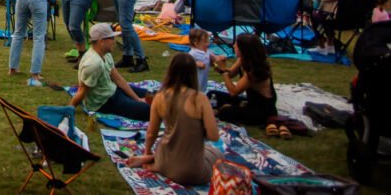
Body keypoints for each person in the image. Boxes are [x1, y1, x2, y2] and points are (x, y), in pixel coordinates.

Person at [125, 54, 222, 185]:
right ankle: (156, 160)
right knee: (217, 154)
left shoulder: (159, 97)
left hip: (163, 161)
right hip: (191, 171)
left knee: (176, 150)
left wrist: (147, 151)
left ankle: (152, 159)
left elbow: (151, 133)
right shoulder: (199, 98)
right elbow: (214, 136)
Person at [69, 23, 150, 120]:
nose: (114, 42)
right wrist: (69, 109)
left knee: (152, 94)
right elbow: (82, 90)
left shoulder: (106, 54)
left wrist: (137, 99)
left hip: (113, 90)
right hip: (104, 102)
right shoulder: (93, 64)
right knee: (149, 110)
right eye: (111, 38)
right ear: (101, 41)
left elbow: (118, 79)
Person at [210, 34, 277, 126]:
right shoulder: (243, 59)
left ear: (244, 49)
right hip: (251, 101)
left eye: (236, 45)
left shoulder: (254, 71)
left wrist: (223, 72)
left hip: (262, 110)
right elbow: (231, 73)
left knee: (225, 112)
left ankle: (226, 109)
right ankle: (234, 107)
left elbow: (233, 92)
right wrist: (217, 65)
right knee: (212, 94)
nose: (233, 46)